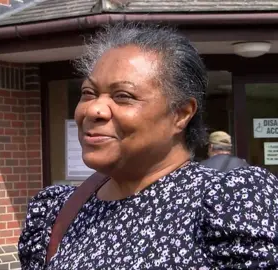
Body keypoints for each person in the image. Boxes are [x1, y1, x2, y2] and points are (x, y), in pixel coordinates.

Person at [18, 22, 278, 269]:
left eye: (123, 96)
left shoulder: (227, 203)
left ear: (181, 114)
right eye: (89, 93)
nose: (94, 109)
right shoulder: (59, 210)